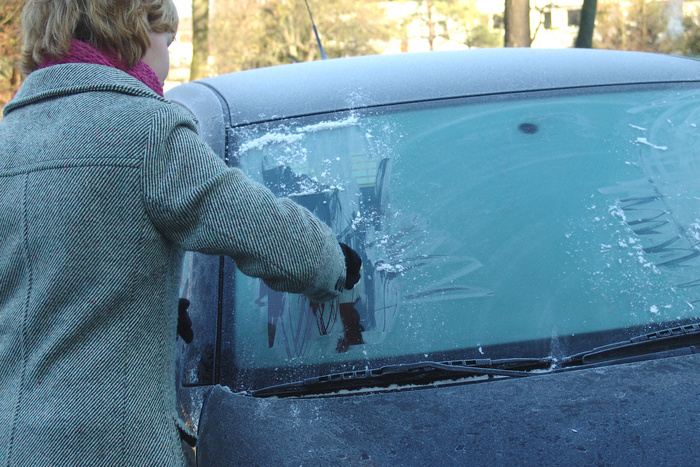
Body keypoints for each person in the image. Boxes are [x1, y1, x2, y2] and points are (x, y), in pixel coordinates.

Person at [0, 0, 361, 465]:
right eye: (166, 41)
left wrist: (147, 309)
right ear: (129, 30)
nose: (168, 61)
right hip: (111, 448)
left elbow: (41, 283)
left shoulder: (9, 142)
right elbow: (262, 230)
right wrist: (337, 262)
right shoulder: (148, 132)